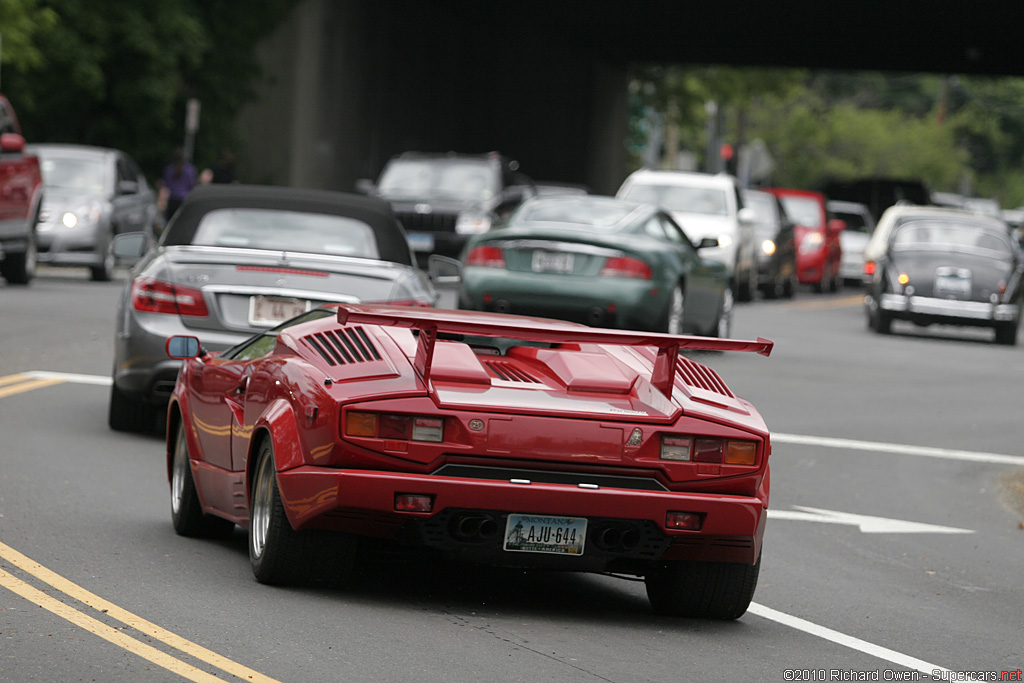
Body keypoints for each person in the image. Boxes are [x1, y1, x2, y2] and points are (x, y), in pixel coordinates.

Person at [159, 148, 198, 221]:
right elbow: (192, 186)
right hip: (184, 201)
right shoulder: (190, 170)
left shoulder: (169, 169)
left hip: (172, 201)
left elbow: (166, 186)